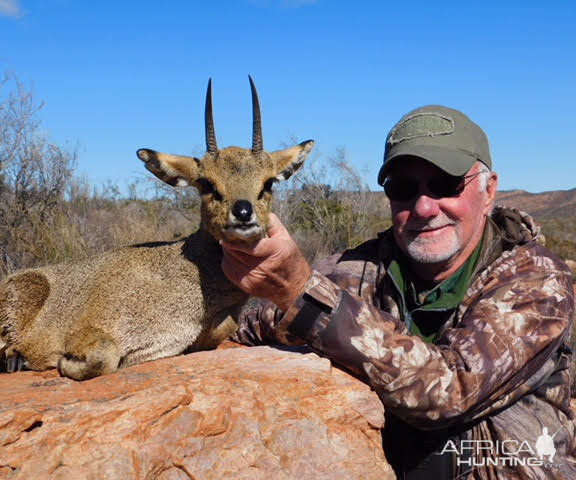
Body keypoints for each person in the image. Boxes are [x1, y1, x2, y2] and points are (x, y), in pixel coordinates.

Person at [221, 105, 576, 479]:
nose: (423, 207)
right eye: (403, 188)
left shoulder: (537, 280)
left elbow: (449, 389)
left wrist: (299, 291)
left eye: (445, 184)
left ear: (489, 190)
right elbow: (250, 330)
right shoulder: (353, 271)